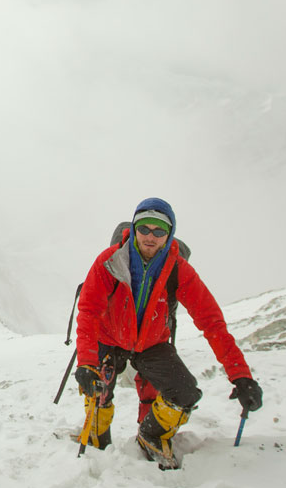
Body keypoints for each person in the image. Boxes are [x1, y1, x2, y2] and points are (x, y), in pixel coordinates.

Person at [74, 197, 262, 468]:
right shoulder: (110, 261)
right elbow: (89, 310)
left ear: (169, 233)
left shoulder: (179, 270)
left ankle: (151, 433)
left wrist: (241, 376)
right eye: (145, 228)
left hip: (151, 344)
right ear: (135, 228)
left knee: (184, 393)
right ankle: (96, 434)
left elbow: (212, 323)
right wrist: (87, 363)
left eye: (159, 230)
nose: (151, 236)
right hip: (109, 339)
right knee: (97, 390)